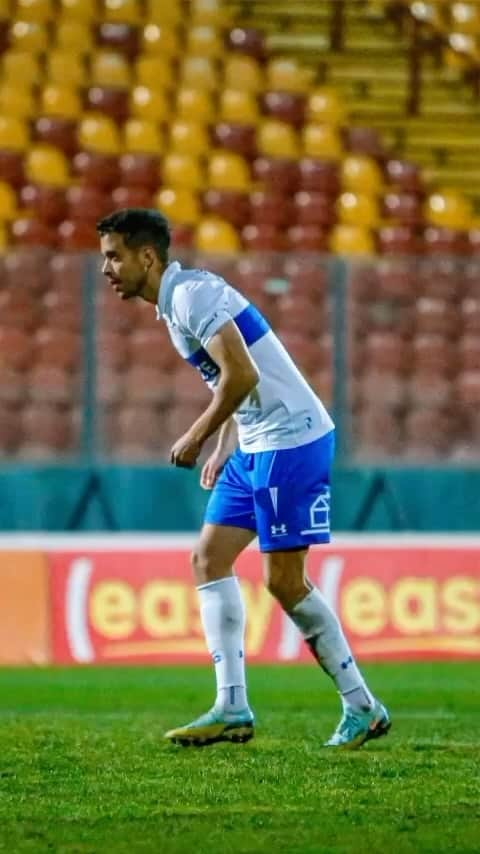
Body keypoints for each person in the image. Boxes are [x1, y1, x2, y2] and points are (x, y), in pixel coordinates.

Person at [97, 208, 391, 750]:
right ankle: (232, 706)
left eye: (114, 256)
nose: (106, 269)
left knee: (283, 582)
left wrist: (198, 437)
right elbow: (232, 374)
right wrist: (230, 442)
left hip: (293, 440)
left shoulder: (190, 296)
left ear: (147, 256)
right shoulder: (176, 304)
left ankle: (362, 706)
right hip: (256, 443)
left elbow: (242, 374)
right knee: (208, 559)